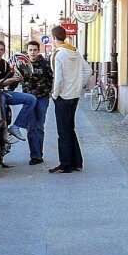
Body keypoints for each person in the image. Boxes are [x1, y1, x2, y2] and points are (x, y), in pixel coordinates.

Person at [49, 25, 91, 174]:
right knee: (70, 128)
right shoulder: (75, 51)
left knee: (63, 131)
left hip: (62, 97)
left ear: (54, 38)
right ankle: (76, 162)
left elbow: (58, 79)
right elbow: (88, 70)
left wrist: (54, 95)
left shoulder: (57, 54)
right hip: (74, 95)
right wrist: (80, 85)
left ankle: (65, 164)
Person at [0, 39, 36, 141]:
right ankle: (3, 131)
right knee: (1, 99)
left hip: (1, 92)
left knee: (31, 99)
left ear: (4, 52)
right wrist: (8, 80)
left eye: (2, 49)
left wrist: (14, 80)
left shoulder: (5, 64)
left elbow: (4, 83)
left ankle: (16, 126)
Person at [20, 40, 54, 165]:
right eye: (30, 50)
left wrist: (50, 91)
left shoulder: (45, 64)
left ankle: (39, 154)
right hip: (28, 99)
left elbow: (51, 78)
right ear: (27, 51)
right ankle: (35, 155)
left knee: (39, 127)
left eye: (35, 50)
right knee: (31, 127)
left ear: (38, 50)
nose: (32, 52)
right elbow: (17, 79)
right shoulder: (23, 64)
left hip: (41, 98)